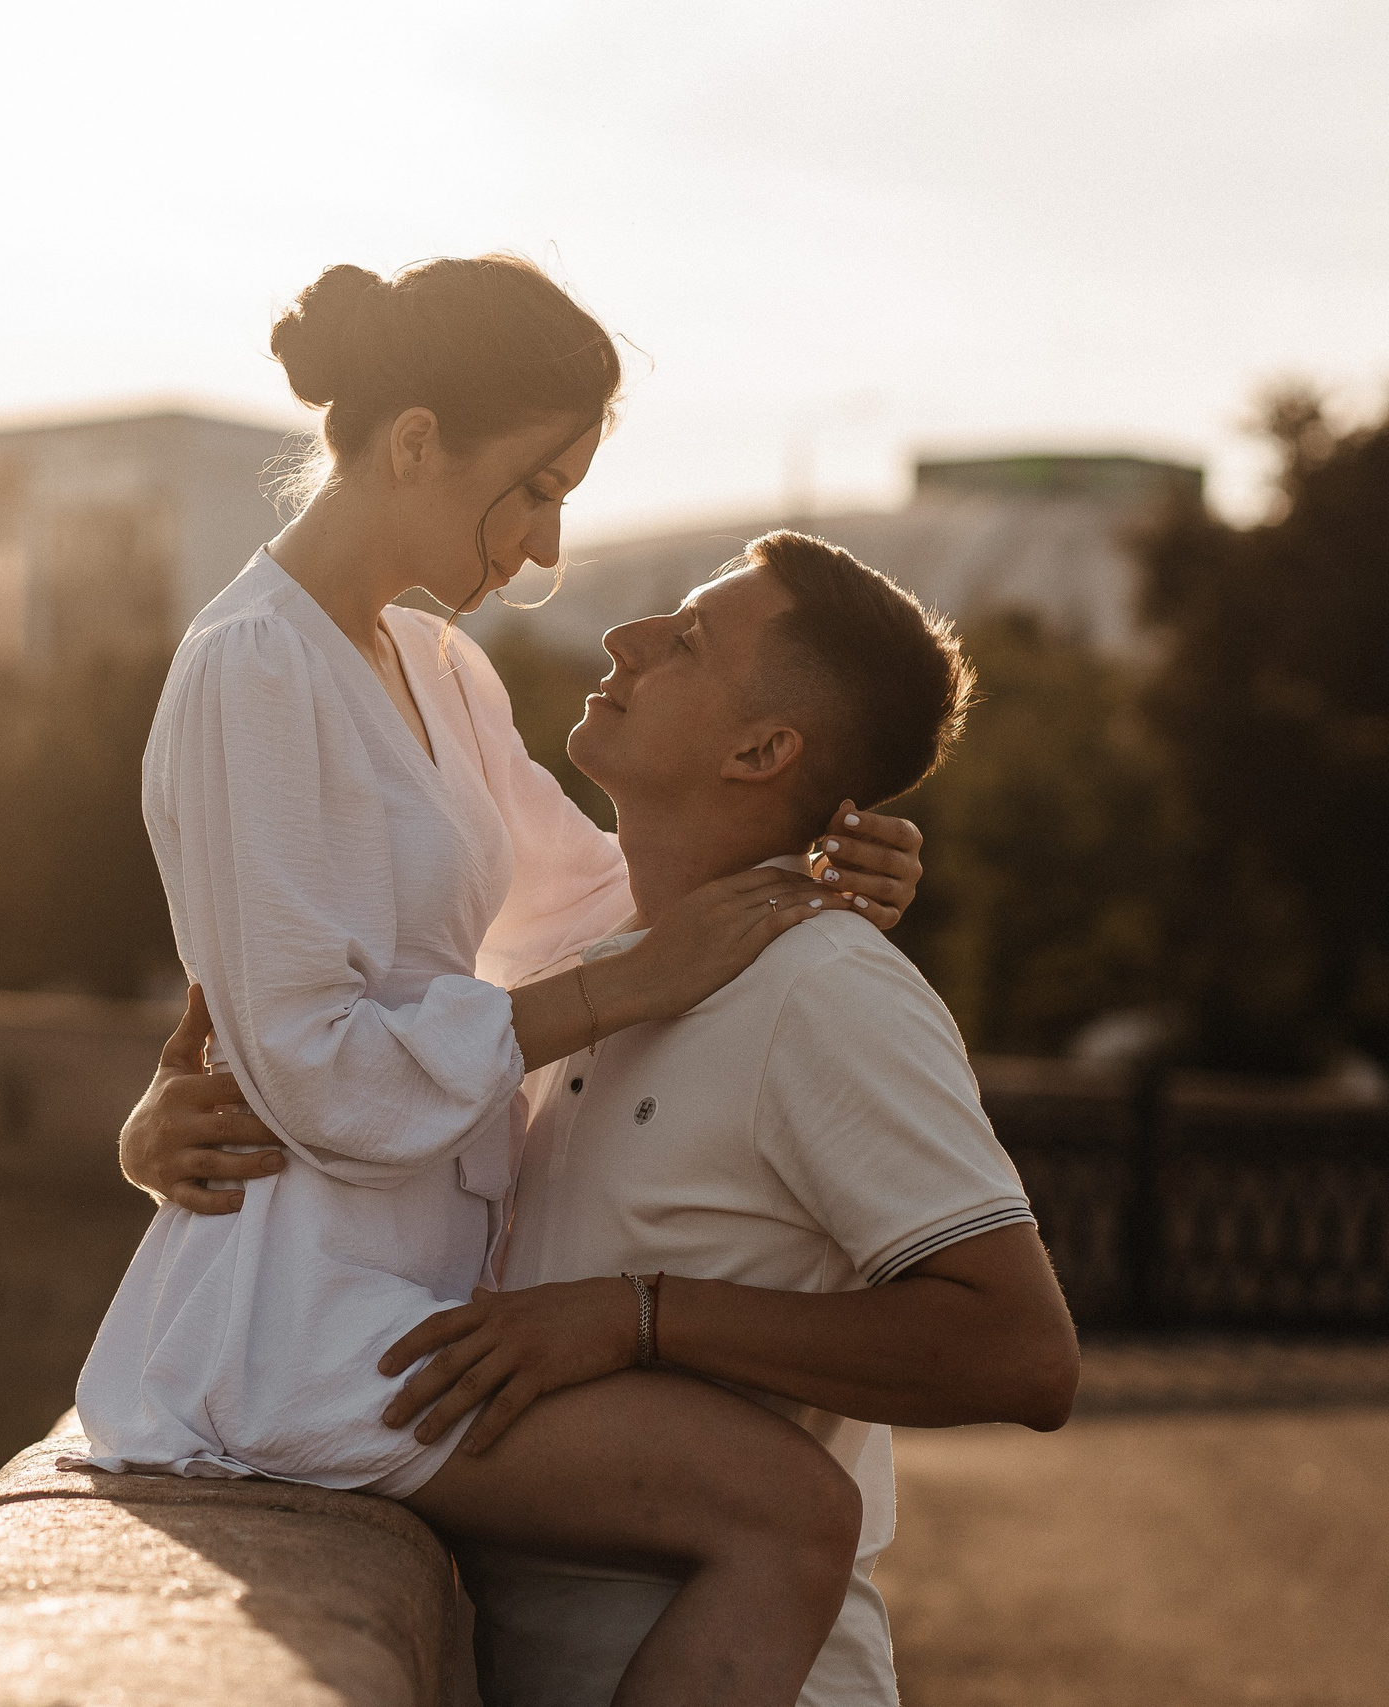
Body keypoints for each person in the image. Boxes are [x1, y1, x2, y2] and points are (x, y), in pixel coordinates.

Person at [74, 256, 926, 1707]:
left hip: (428, 1292)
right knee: (783, 1509)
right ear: (416, 441)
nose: (545, 549)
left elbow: (594, 899)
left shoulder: (435, 665)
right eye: (534, 489)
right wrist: (619, 992)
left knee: (788, 1503)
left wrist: (818, 857)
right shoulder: (250, 668)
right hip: (304, 1325)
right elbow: (312, 1062)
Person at [127, 531, 1082, 1706]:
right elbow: (351, 1069)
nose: (626, 638)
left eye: (686, 639)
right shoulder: (581, 971)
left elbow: (1020, 1354)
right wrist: (164, 1129)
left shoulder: (825, 991)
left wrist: (637, 1318)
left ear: (760, 749)